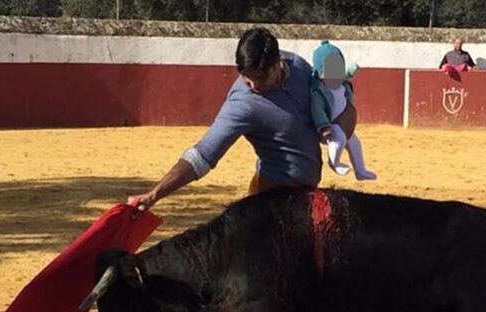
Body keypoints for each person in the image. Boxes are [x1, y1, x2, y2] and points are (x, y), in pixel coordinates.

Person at [127, 28, 357, 213]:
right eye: (247, 78)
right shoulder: (243, 104)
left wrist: (345, 116)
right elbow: (203, 154)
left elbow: (324, 102)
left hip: (307, 196)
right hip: (270, 201)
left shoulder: (298, 66)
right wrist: (155, 194)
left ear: (277, 64)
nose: (254, 86)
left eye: (259, 77)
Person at [310, 40, 377, 181]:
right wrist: (324, 126)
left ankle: (360, 171)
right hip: (330, 127)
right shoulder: (318, 91)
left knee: (354, 142)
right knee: (339, 138)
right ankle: (335, 163)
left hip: (344, 125)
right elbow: (317, 110)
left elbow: (347, 74)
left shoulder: (339, 80)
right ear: (321, 73)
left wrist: (352, 69)